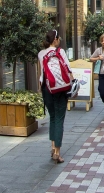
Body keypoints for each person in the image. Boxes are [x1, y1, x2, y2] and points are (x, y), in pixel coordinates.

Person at [38, 29, 73, 163]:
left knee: (52, 117)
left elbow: (41, 74)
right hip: (60, 89)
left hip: (47, 88)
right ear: (55, 39)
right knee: (59, 119)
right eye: (58, 38)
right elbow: (68, 70)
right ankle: (57, 153)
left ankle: (53, 147)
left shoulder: (41, 54)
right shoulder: (60, 52)